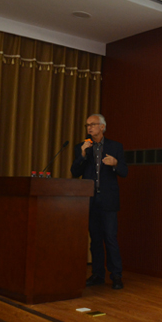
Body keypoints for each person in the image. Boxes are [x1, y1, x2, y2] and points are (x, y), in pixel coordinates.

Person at [71, 114, 128, 290]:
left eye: (93, 124)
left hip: (108, 200)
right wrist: (82, 154)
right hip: (90, 200)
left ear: (102, 127)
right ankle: (97, 274)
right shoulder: (82, 147)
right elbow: (75, 172)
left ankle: (116, 275)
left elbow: (124, 171)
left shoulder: (115, 146)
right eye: (87, 125)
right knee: (95, 239)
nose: (89, 128)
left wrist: (115, 163)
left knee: (110, 238)